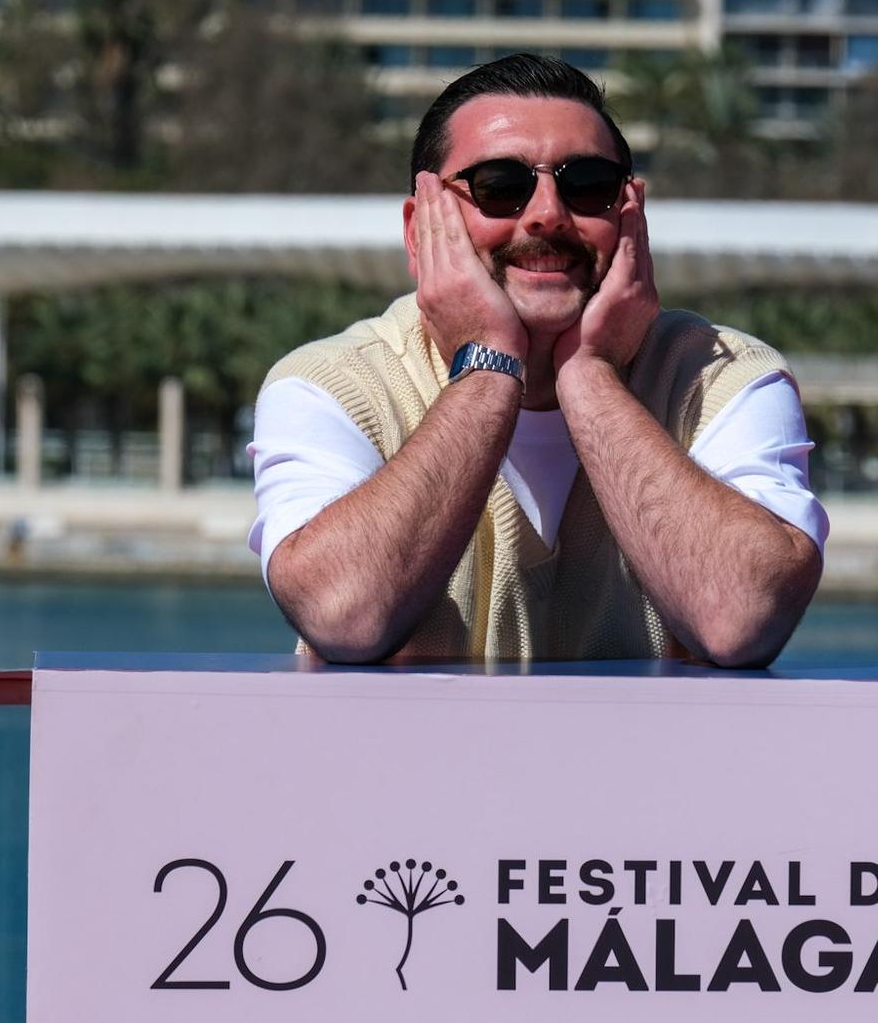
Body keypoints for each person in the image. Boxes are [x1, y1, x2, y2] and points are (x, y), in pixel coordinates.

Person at [247, 55, 826, 666]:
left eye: (587, 186)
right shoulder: (331, 385)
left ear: (630, 213)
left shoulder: (720, 373)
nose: (548, 213)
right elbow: (344, 614)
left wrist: (592, 375)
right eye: (500, 185)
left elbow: (742, 618)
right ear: (419, 230)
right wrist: (490, 362)